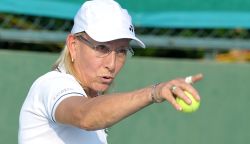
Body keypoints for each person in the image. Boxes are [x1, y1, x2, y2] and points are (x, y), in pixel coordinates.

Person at [18, 0, 203, 144]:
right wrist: (153, 92)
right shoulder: (52, 84)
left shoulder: (93, 98)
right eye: (102, 48)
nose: (112, 64)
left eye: (121, 50)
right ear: (73, 46)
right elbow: (85, 116)